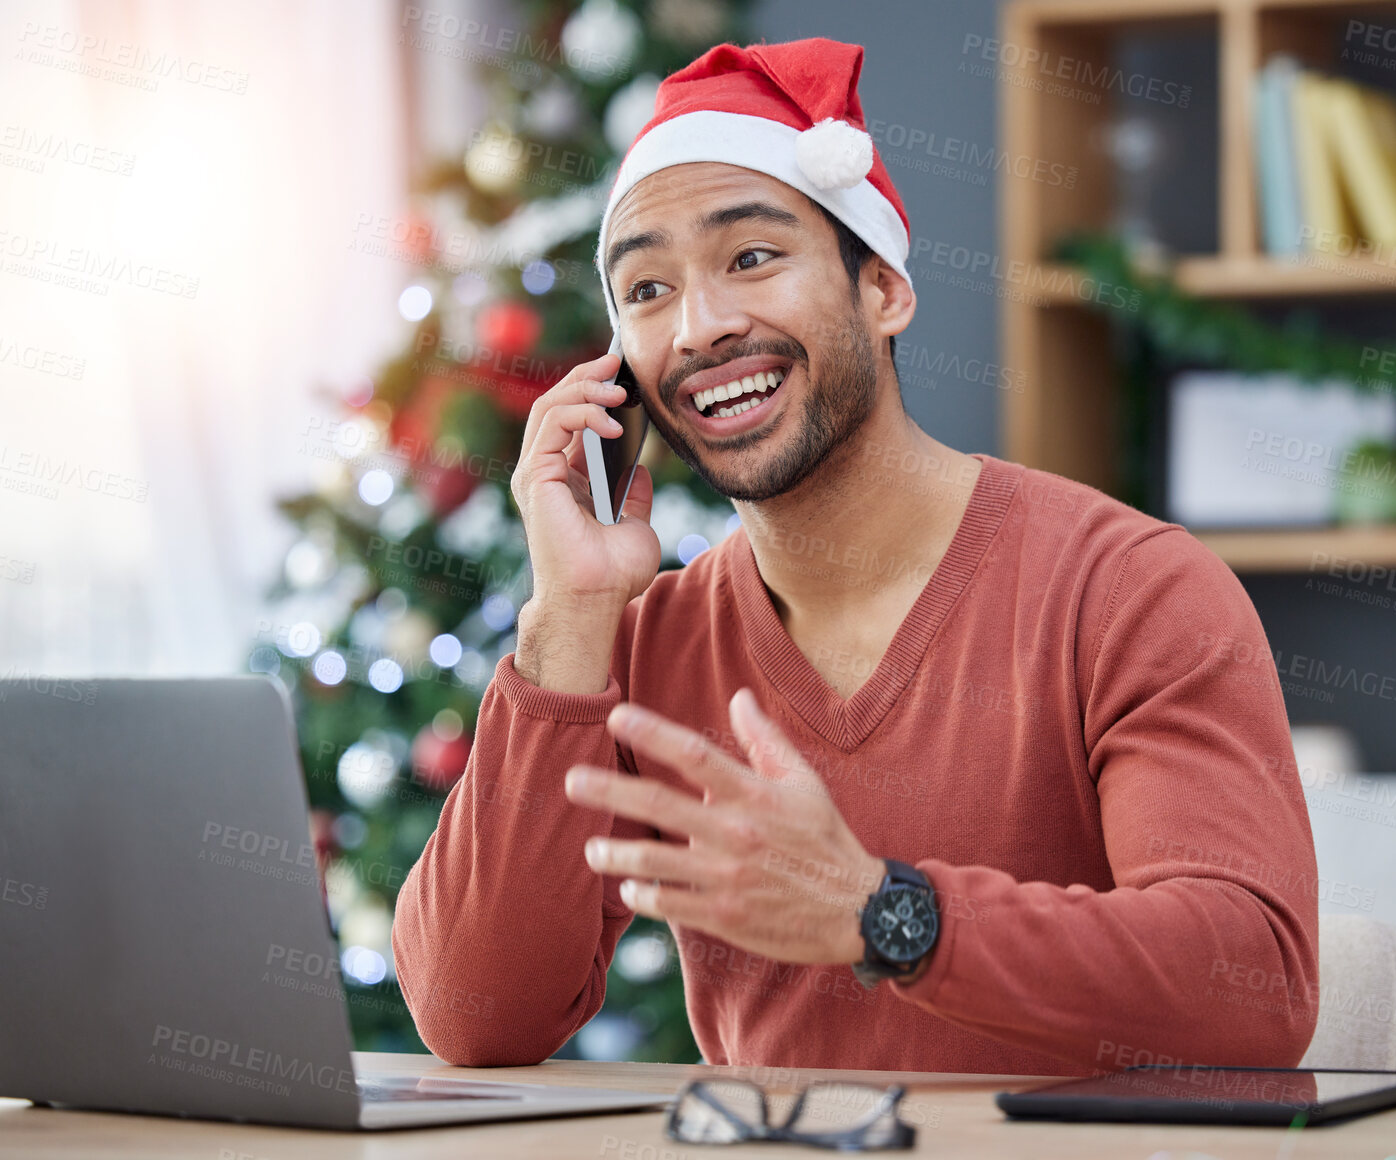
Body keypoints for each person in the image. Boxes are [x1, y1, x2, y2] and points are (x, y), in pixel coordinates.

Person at [392, 36, 1320, 1076]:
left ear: (883, 289)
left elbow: (1256, 983)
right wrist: (568, 613)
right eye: (647, 290)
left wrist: (888, 914)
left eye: (750, 257)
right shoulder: (639, 641)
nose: (700, 326)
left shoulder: (1129, 589)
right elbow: (478, 1014)